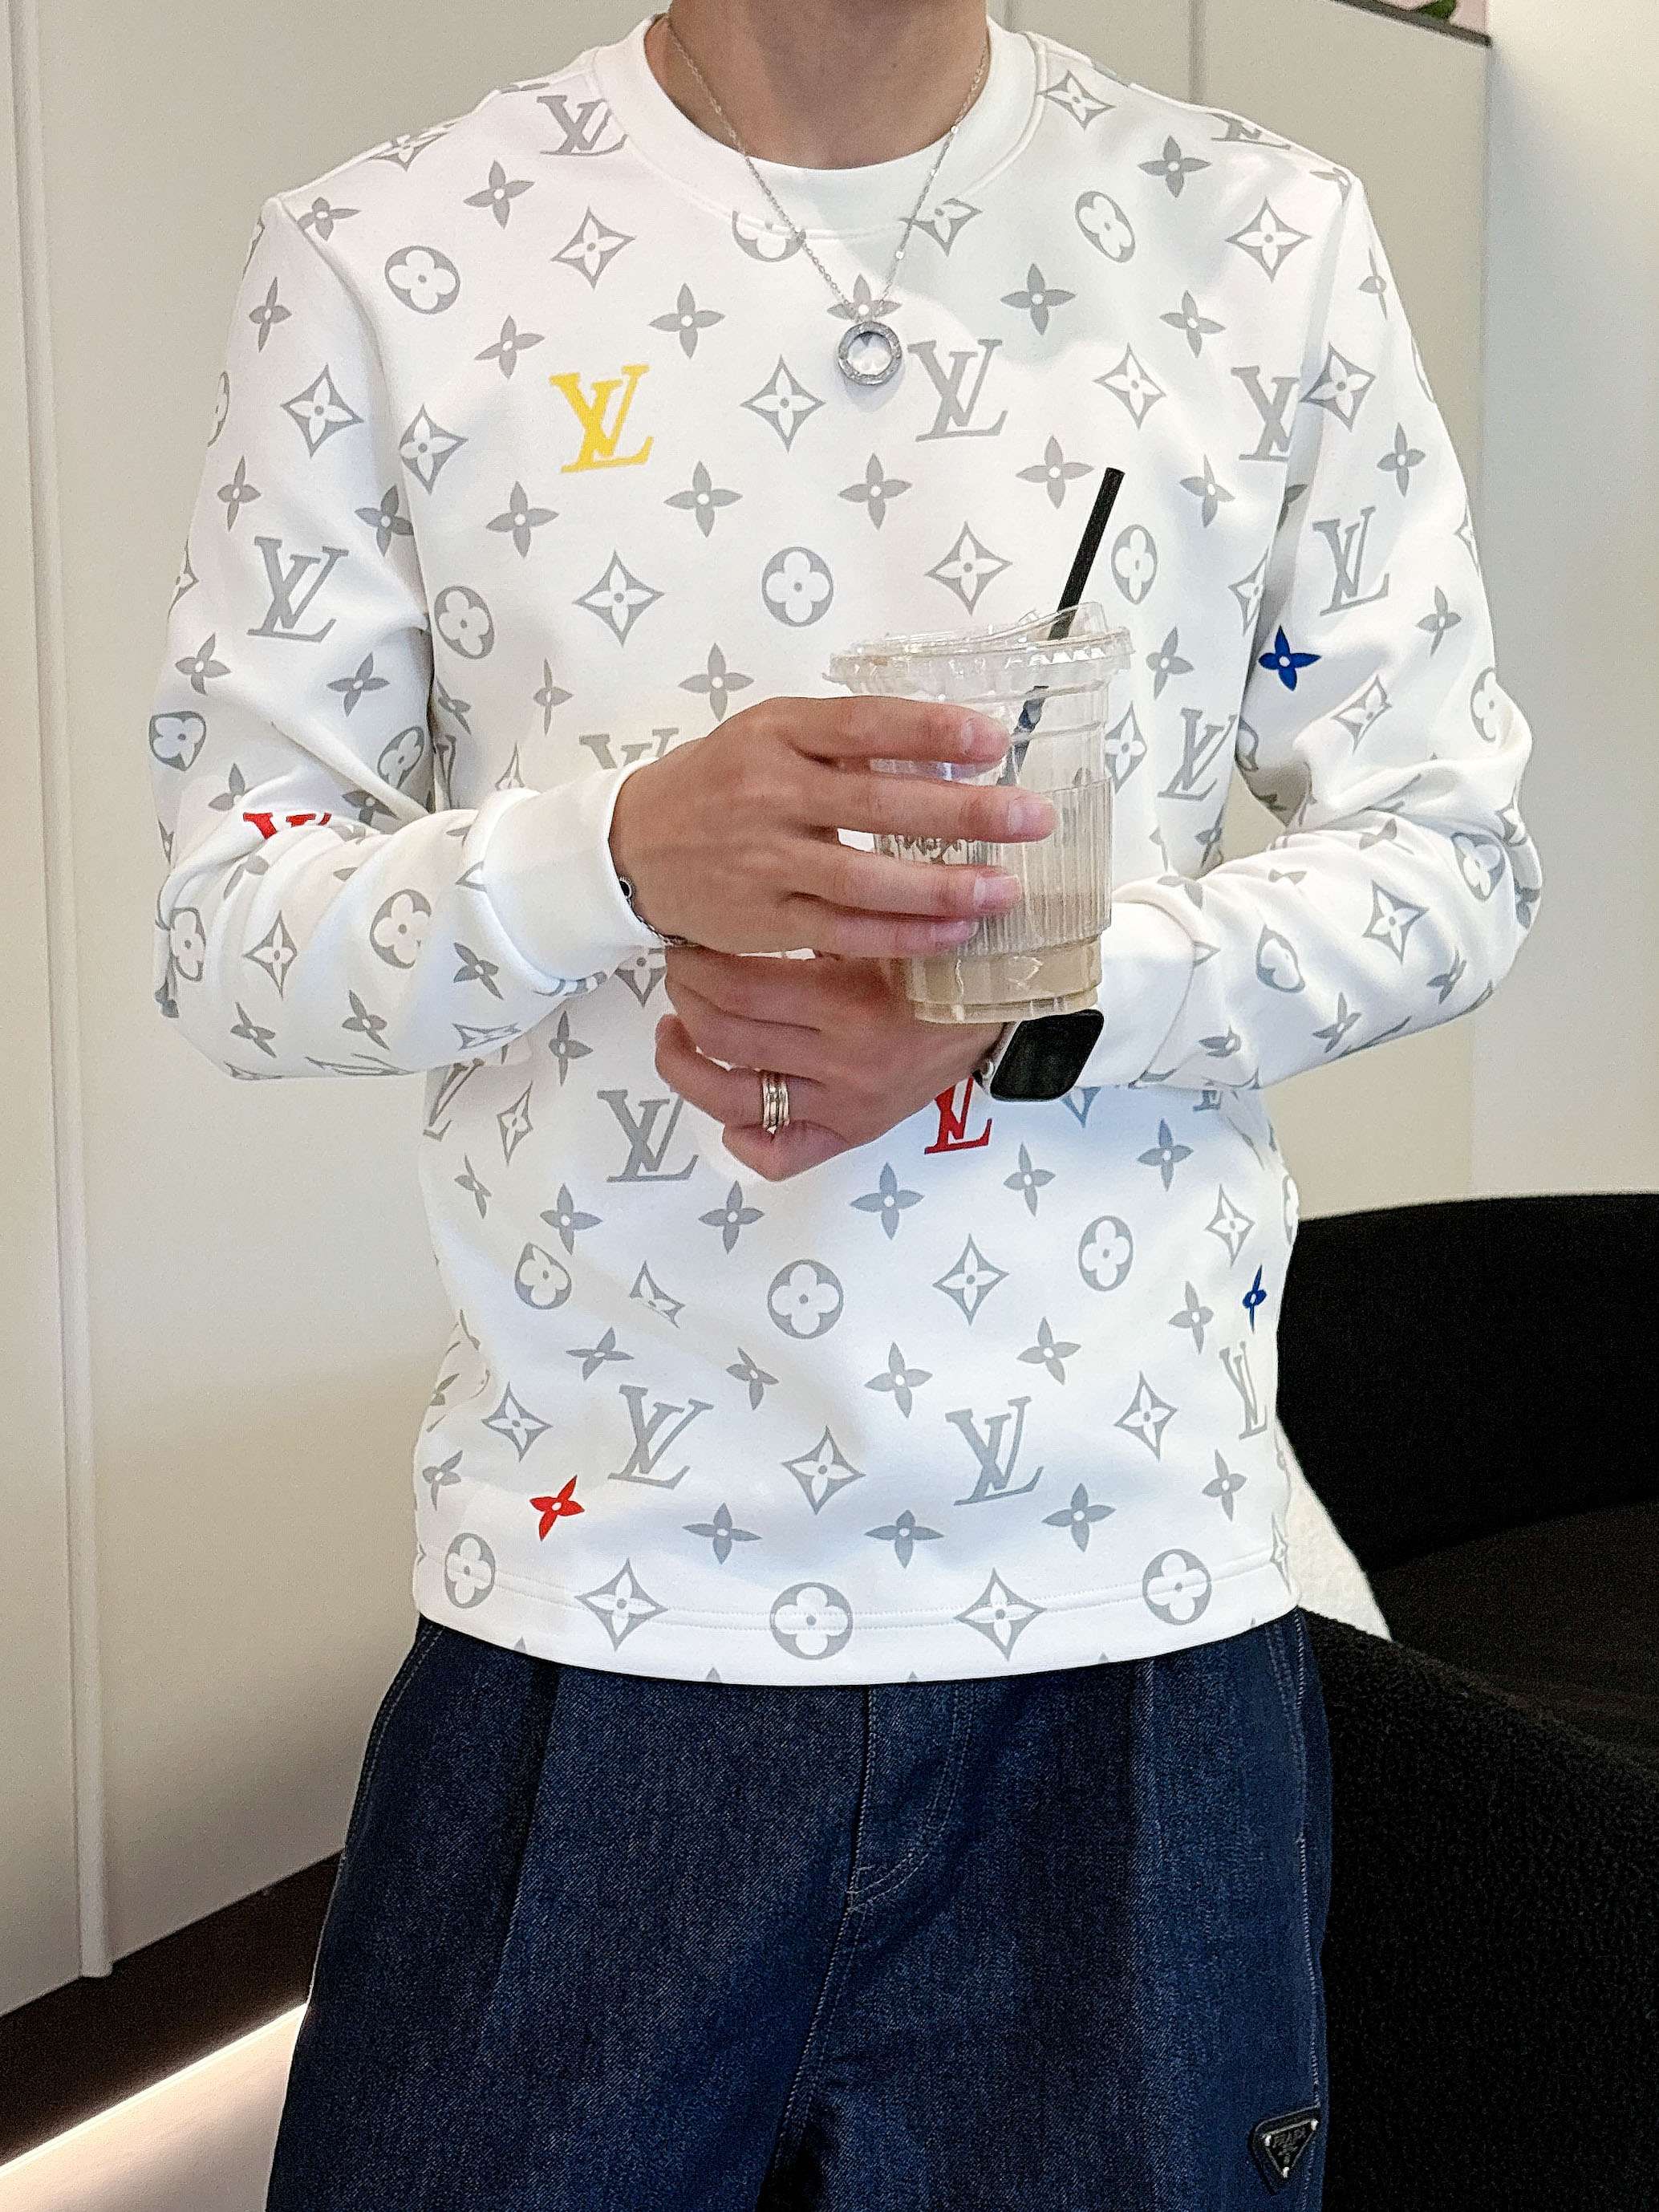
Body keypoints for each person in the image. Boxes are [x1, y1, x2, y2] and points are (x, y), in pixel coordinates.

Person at [145, 3, 1541, 2203]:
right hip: (596, 1611)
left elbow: (1452, 865)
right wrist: (615, 855)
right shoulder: (392, 254)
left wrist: (1025, 1002)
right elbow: (235, 926)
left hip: (1123, 1617)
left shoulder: (1259, 238)